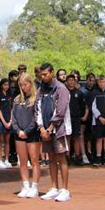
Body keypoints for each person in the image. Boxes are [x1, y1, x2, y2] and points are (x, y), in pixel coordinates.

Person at [36, 63, 72, 202]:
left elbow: (60, 111)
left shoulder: (61, 89)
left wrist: (50, 128)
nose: (43, 77)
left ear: (52, 73)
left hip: (58, 130)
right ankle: (54, 188)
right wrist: (41, 128)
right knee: (51, 158)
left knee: (61, 157)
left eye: (45, 74)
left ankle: (65, 190)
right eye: (41, 74)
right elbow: (37, 108)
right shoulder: (41, 89)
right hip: (44, 130)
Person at [12, 73, 41, 198]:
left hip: (32, 133)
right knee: (23, 161)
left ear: (31, 83)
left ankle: (34, 186)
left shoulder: (36, 99)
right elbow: (13, 118)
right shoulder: (17, 99)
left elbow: (36, 118)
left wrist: (27, 131)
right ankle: (25, 185)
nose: (23, 87)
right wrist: (18, 130)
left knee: (34, 160)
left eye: (25, 84)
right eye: (21, 85)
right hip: (19, 134)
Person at [65, 74, 87, 165]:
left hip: (76, 118)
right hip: (66, 119)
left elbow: (83, 106)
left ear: (75, 82)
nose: (71, 82)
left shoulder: (79, 93)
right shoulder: (64, 93)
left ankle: (78, 157)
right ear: (66, 82)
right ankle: (67, 158)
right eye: (69, 80)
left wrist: (81, 116)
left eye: (72, 80)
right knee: (68, 138)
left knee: (77, 137)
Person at [0, 78, 13, 169]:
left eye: (7, 85)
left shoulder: (10, 95)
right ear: (1, 85)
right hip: (0, 120)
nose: (6, 86)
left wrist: (10, 121)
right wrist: (4, 122)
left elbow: (12, 108)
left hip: (9, 119)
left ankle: (6, 159)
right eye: (4, 84)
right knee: (0, 141)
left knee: (7, 141)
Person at [81, 72, 96, 163]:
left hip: (95, 115)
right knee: (84, 135)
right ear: (87, 80)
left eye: (93, 81)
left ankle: (92, 153)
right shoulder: (82, 90)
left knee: (93, 135)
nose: (91, 82)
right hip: (85, 116)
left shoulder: (96, 90)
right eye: (90, 80)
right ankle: (85, 154)